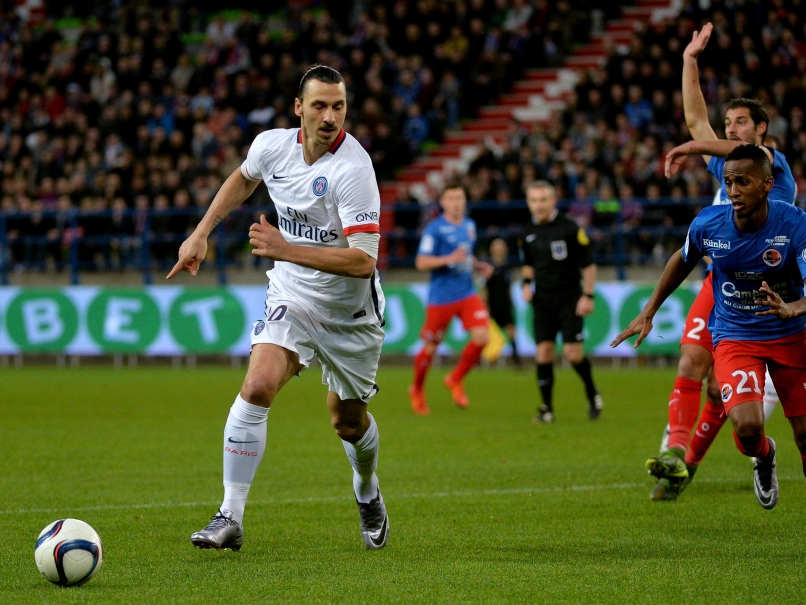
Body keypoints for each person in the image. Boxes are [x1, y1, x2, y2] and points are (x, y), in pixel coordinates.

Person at [167, 65, 389, 550]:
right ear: (298, 109)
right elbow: (243, 180)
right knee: (258, 384)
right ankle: (230, 515)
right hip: (292, 293)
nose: (330, 116)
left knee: (346, 422)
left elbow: (362, 260)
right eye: (320, 106)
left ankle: (367, 489)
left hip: (350, 313)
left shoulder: (353, 170)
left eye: (339, 106)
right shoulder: (271, 146)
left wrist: (282, 247)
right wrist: (201, 232)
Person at [643, 22, 798, 501]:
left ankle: (697, 463)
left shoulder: (773, 165)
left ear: (761, 130)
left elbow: (721, 145)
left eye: (740, 123)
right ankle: (677, 454)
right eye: (727, 122)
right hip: (723, 281)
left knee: (724, 400)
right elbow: (696, 121)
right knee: (691, 359)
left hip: (777, 296)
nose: (730, 130)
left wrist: (694, 146)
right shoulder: (727, 168)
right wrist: (689, 61)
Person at [613, 145, 806, 511]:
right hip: (737, 335)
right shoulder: (709, 223)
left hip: (791, 333)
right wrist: (650, 309)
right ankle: (764, 457)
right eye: (729, 182)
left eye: (743, 182)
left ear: (767, 184)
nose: (733, 191)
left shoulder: (795, 224)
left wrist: (793, 307)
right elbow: (681, 259)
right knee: (748, 430)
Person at [520, 181, 603, 423]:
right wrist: (526, 284)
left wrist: (587, 295)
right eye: (534, 201)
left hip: (569, 297)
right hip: (543, 299)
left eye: (543, 200)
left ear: (553, 201)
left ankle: (591, 391)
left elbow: (588, 263)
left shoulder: (569, 228)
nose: (539, 206)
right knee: (543, 352)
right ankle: (546, 408)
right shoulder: (526, 232)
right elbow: (528, 264)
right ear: (529, 204)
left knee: (572, 353)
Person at [408, 183, 494, 415]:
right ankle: (416, 389)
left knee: (482, 336)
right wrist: (448, 258)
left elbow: (465, 254)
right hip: (441, 297)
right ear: (443, 202)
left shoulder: (469, 225)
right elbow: (421, 262)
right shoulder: (434, 229)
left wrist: (478, 265)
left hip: (467, 292)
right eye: (451, 198)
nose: (456, 202)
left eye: (460, 198)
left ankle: (455, 379)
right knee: (430, 347)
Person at [484, 238, 521, 366]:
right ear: (492, 249)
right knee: (485, 334)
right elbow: (484, 288)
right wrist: (485, 305)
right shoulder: (487, 267)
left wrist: (511, 303)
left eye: (501, 246)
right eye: (496, 246)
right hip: (492, 305)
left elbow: (509, 289)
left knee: (511, 332)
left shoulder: (508, 267)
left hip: (505, 304)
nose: (499, 249)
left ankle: (516, 360)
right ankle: (483, 361)